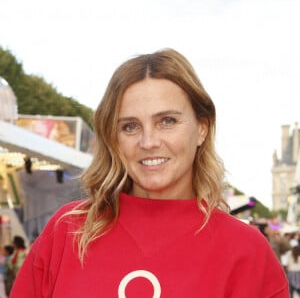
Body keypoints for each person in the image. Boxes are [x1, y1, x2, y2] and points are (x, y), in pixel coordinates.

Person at [10, 48, 289, 297]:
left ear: (202, 128)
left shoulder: (247, 252)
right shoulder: (67, 232)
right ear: (114, 137)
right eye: (130, 126)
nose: (148, 142)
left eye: (167, 121)